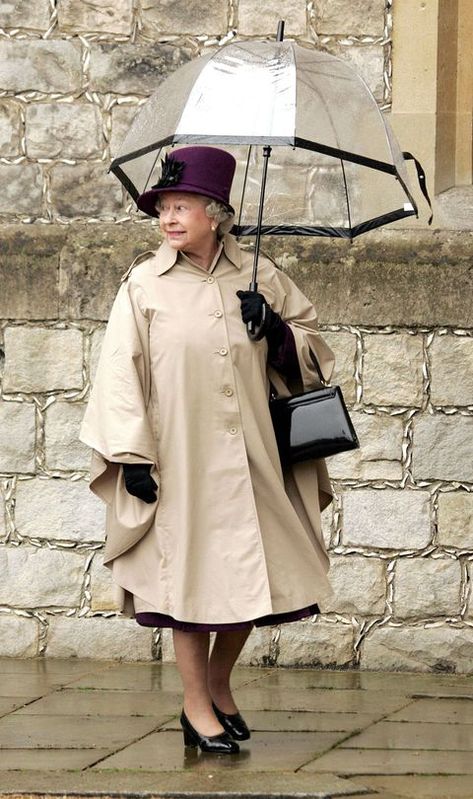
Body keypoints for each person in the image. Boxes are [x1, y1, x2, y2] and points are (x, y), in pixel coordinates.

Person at [80, 146, 335, 755]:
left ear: (216, 213)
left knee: (258, 569)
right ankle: (197, 709)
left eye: (181, 206)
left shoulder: (260, 275)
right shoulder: (144, 284)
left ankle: (218, 684)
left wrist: (275, 329)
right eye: (163, 207)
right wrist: (132, 456)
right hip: (180, 459)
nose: (169, 218)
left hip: (254, 454)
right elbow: (119, 373)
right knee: (187, 584)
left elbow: (315, 351)